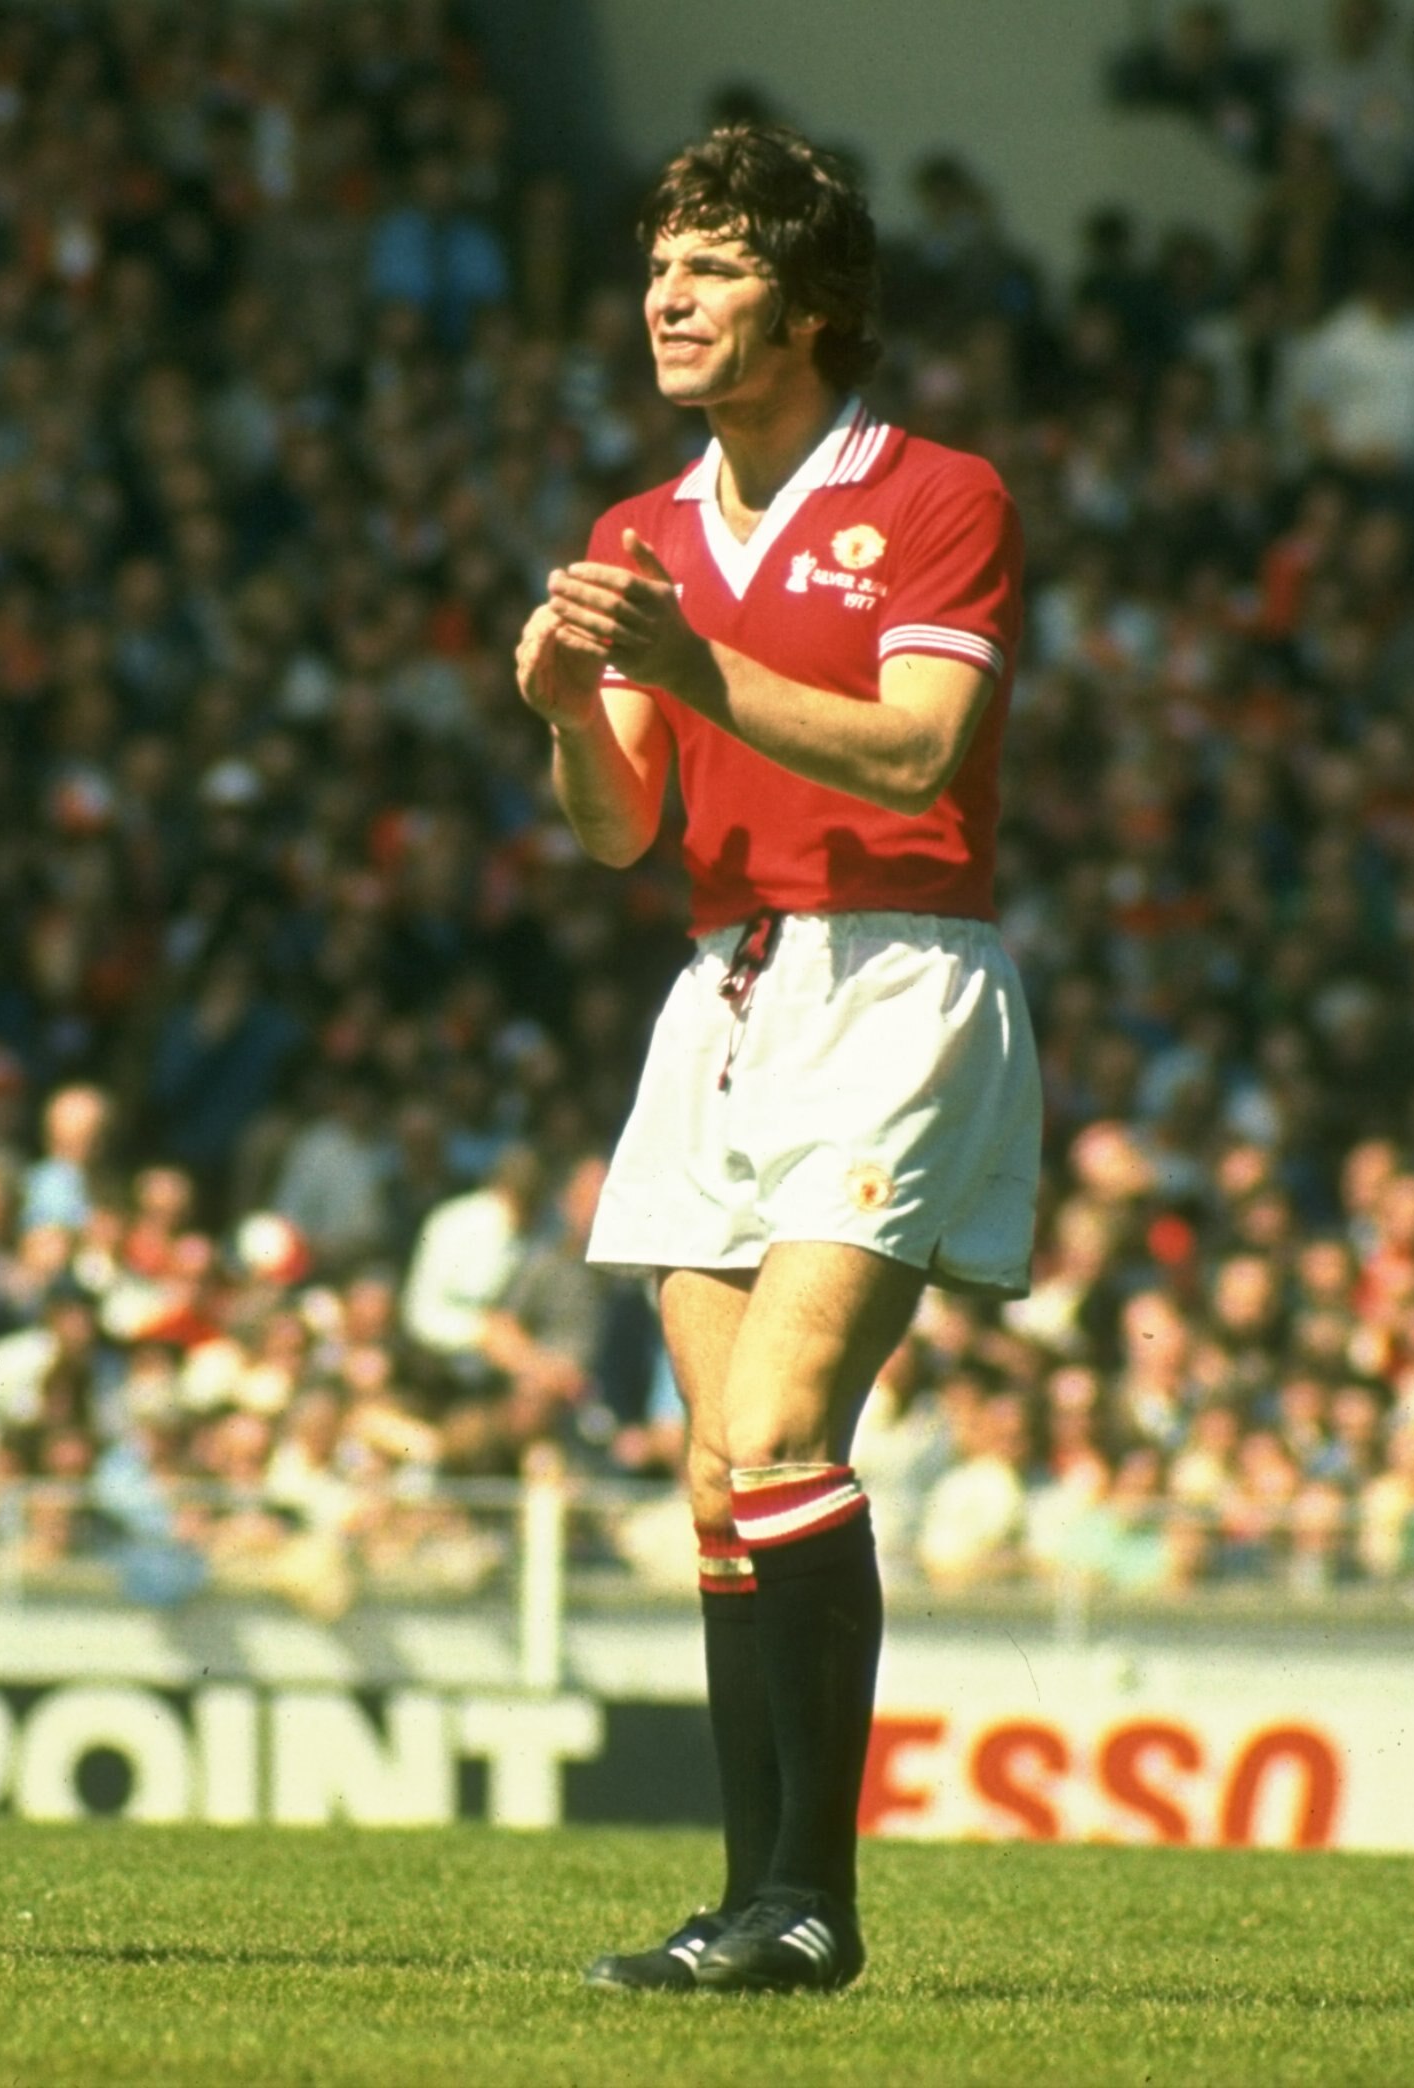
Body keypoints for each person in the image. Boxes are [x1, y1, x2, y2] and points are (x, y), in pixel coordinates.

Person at [521, 125, 1037, 1994]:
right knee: (718, 1477)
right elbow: (618, 826)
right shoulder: (638, 532)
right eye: (663, 257)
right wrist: (577, 705)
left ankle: (814, 1900)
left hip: (899, 978)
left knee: (784, 1431)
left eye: (717, 264)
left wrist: (688, 658)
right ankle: (756, 1904)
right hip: (722, 986)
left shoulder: (935, 495)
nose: (668, 292)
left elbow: (915, 757)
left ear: (810, 308)